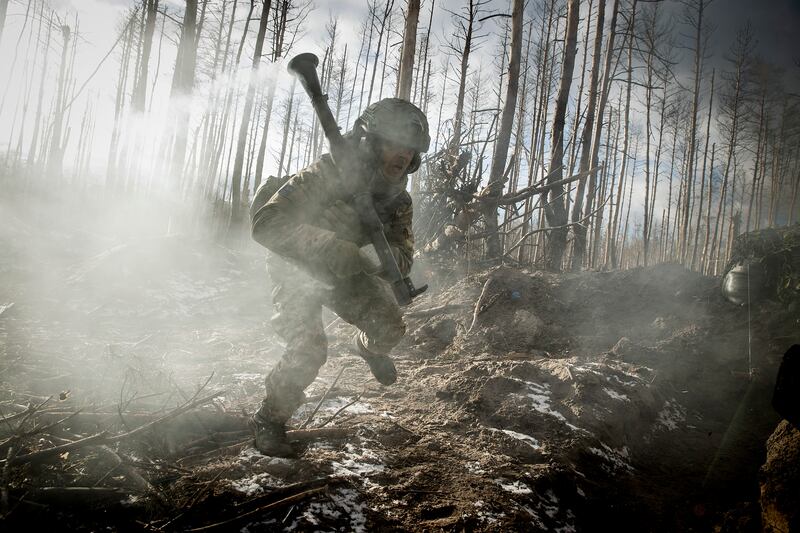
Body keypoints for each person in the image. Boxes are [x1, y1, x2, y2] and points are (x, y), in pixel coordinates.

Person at [248, 98, 430, 456]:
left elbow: (404, 257)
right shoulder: (329, 173)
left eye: (410, 150)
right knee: (309, 350)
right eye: (395, 144)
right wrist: (326, 244)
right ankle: (269, 420)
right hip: (297, 269)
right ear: (371, 141)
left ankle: (365, 349)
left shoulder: (399, 201)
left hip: (347, 275)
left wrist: (379, 256)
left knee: (390, 328)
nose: (404, 156)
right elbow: (265, 223)